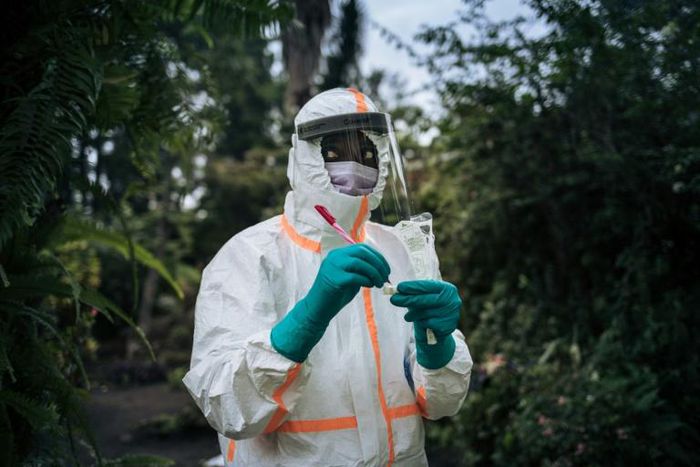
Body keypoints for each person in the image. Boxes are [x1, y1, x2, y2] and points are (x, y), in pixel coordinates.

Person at [183, 88, 473, 466]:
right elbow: (225, 406)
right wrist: (308, 317)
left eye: (366, 154)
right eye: (334, 153)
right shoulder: (249, 255)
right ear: (301, 159)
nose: (355, 166)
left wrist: (438, 344)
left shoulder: (402, 250)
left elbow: (442, 402)